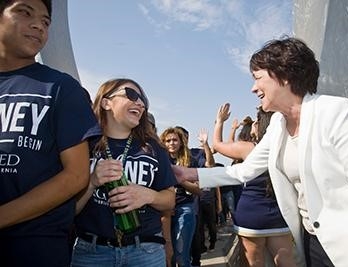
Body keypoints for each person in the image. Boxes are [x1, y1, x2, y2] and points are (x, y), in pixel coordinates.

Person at [172, 36, 348, 267]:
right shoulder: (278, 125)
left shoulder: (337, 114)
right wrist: (187, 174)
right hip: (313, 242)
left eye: (258, 78)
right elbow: (245, 171)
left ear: (284, 75)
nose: (253, 88)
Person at [0, 1, 99, 266]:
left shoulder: (61, 88)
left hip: (34, 244)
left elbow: (76, 176)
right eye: (24, 12)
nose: (38, 25)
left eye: (45, 21)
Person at [71, 78, 176, 267]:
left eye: (143, 99)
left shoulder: (154, 148)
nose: (141, 103)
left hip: (145, 251)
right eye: (132, 95)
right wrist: (93, 182)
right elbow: (68, 210)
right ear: (106, 102)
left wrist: (148, 195)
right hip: (92, 252)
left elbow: (170, 200)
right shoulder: (82, 146)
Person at [213, 103, 296, 267]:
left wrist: (220, 121)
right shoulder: (289, 146)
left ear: (261, 124)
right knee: (287, 262)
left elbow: (217, 145)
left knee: (253, 263)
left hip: (252, 214)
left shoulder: (249, 148)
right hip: (281, 214)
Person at [160, 127, 204, 267]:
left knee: (181, 256)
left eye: (174, 140)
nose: (171, 143)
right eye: (168, 141)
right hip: (163, 210)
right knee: (168, 257)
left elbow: (198, 190)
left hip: (184, 208)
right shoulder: (159, 160)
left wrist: (180, 179)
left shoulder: (190, 161)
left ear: (181, 142)